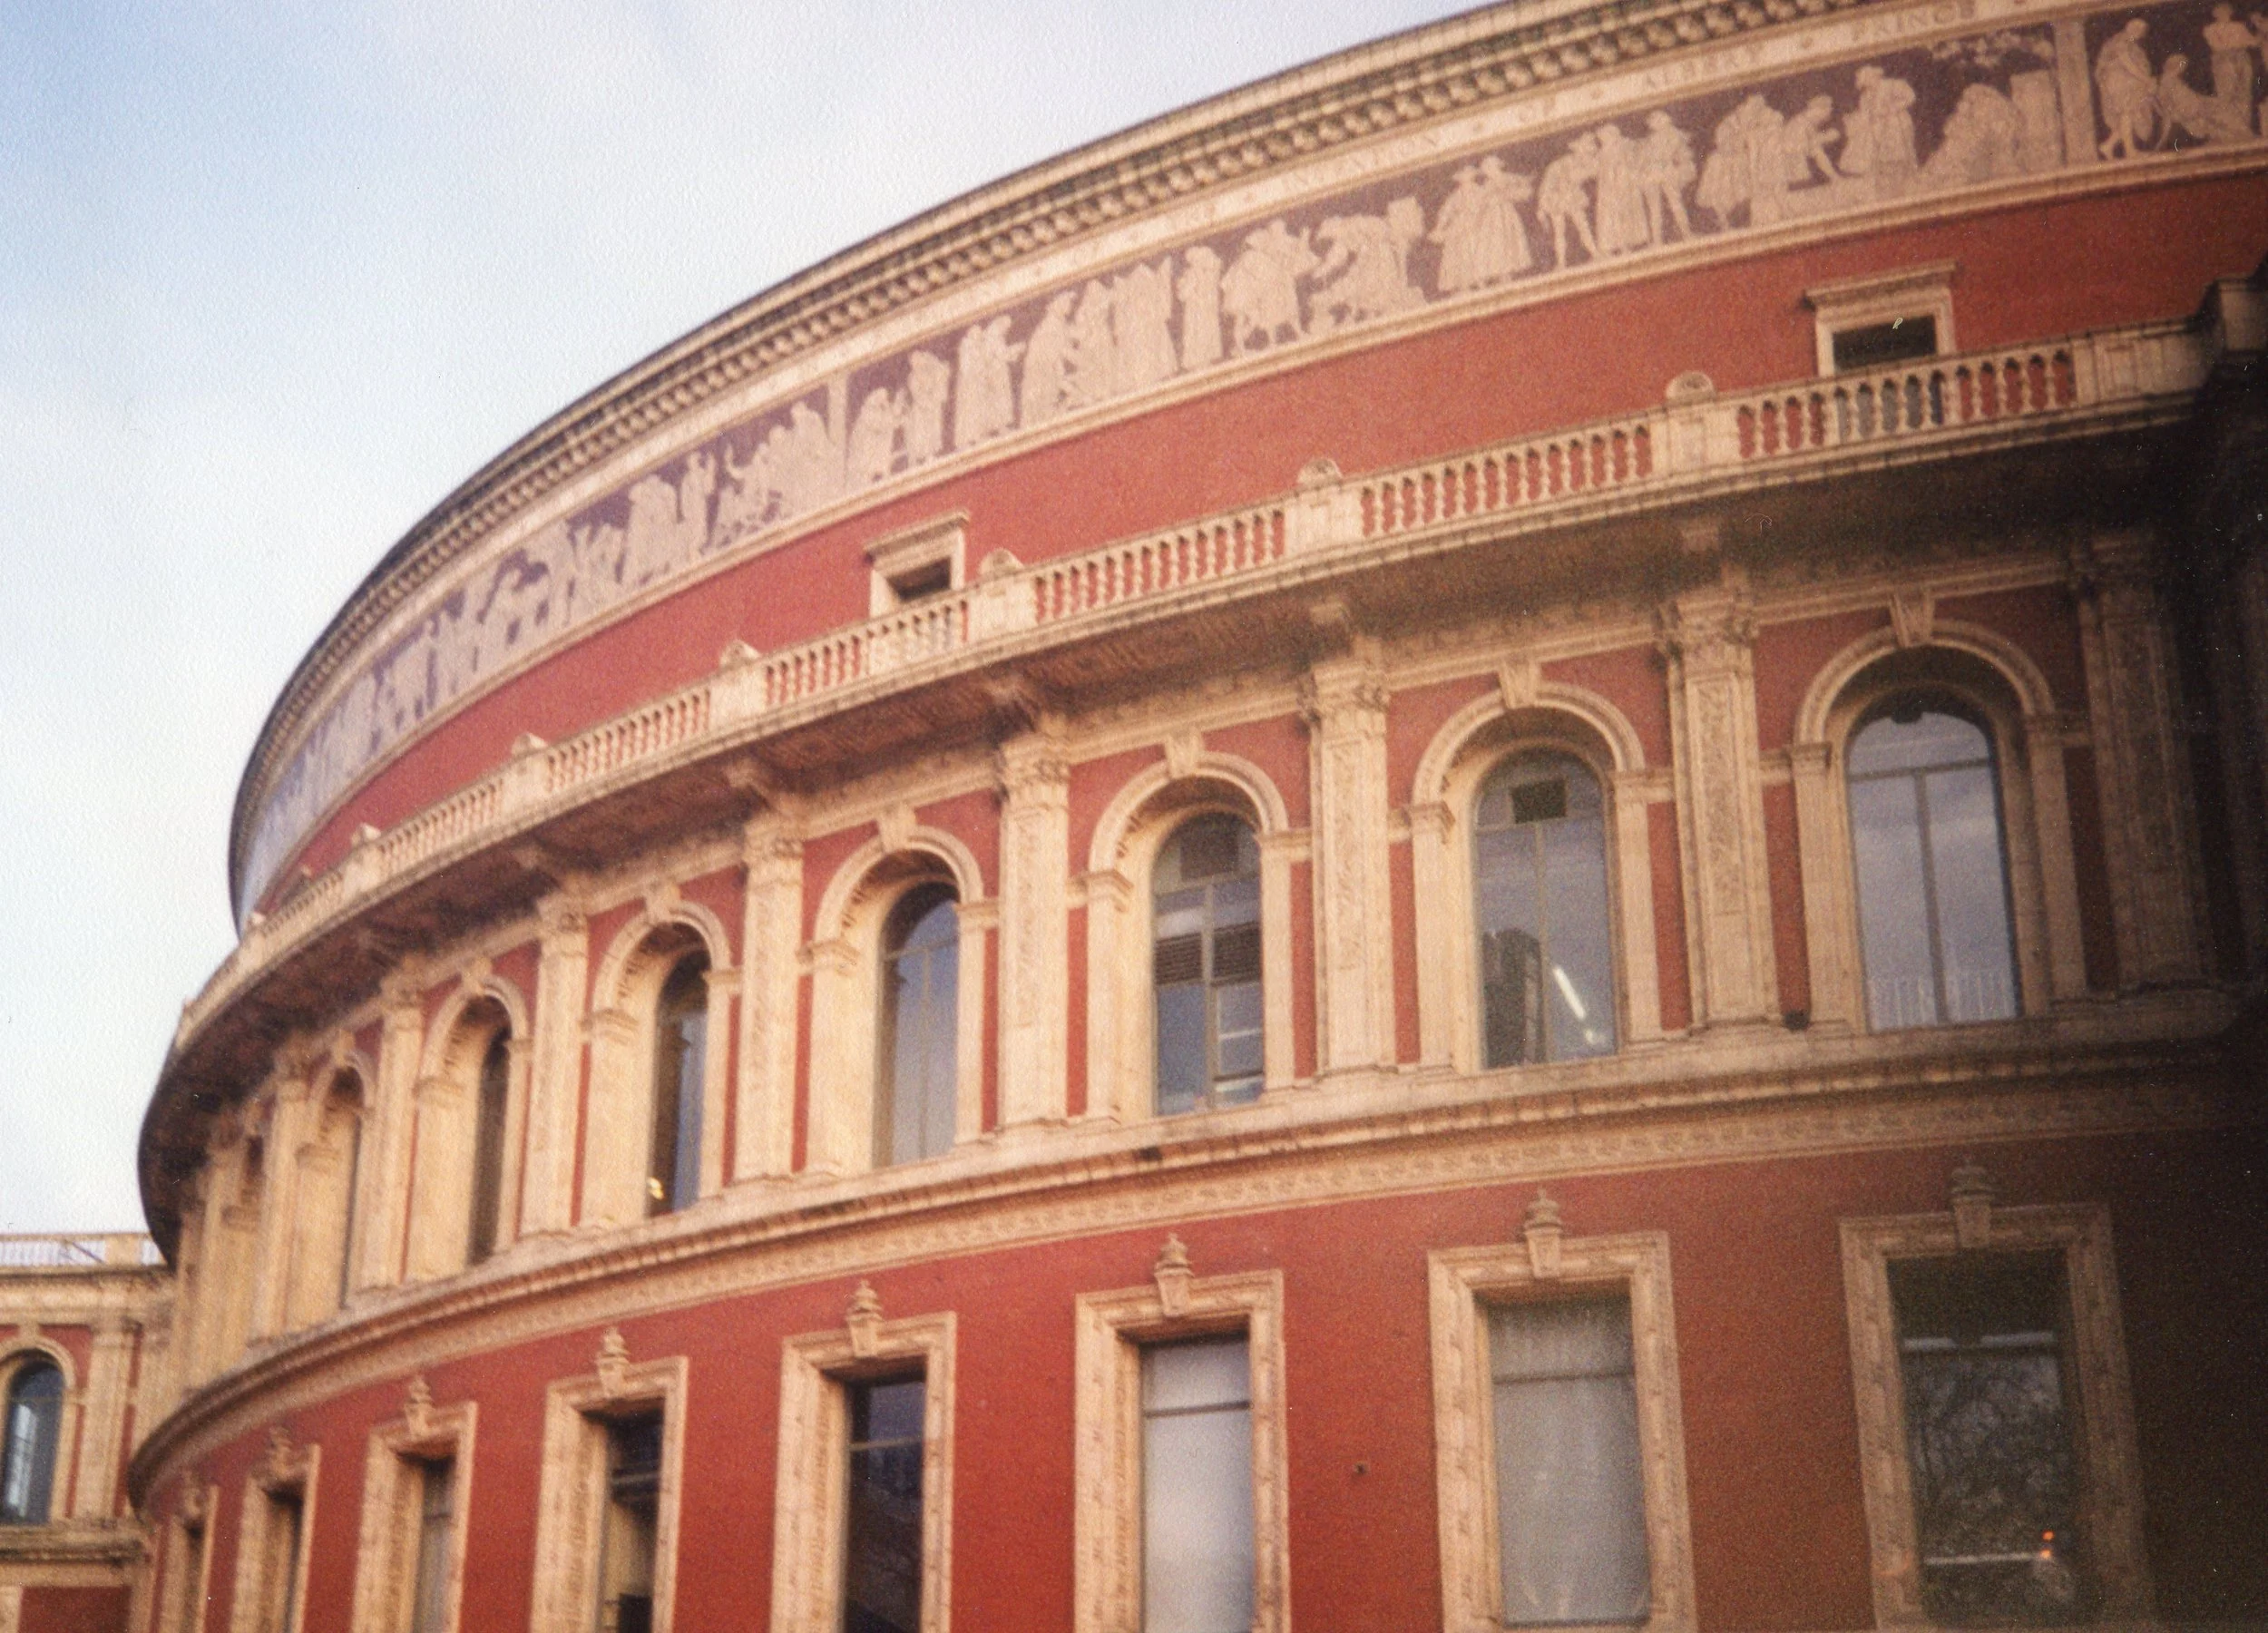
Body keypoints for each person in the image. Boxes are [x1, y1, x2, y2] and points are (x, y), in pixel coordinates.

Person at [2096, 18, 2158, 158]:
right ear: (2131, 28)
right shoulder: (2121, 40)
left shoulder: (2129, 42)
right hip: (2119, 83)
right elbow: (2126, 62)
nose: (2141, 34)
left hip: (2124, 83)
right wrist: (2146, 79)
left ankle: (2108, 146)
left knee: (2126, 117)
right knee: (2127, 113)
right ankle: (2130, 151)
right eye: (2139, 30)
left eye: (2142, 32)